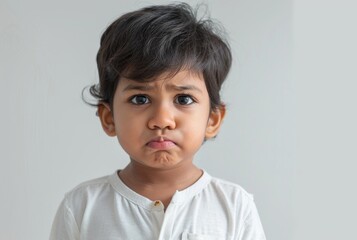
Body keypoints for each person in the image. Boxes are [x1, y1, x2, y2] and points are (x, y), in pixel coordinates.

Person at [50, 3, 266, 240]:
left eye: (183, 99)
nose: (162, 120)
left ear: (212, 119)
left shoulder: (235, 206)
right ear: (109, 117)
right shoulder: (81, 207)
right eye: (140, 98)